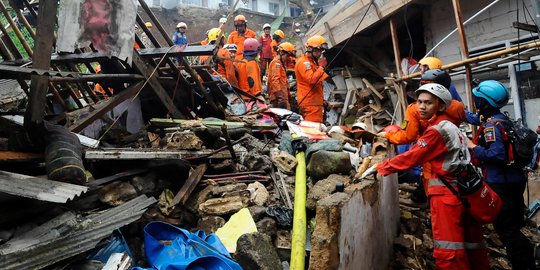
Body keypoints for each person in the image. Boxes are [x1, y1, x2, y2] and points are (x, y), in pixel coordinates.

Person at [378, 83, 489, 270]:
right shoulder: (451, 127)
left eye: (428, 103)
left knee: (448, 249)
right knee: (472, 245)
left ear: (441, 106)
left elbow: (412, 156)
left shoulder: (435, 131)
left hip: (446, 196)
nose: (421, 107)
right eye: (419, 102)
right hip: (462, 191)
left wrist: (381, 167)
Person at [465, 80, 535, 270]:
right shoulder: (501, 119)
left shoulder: (491, 127)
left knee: (506, 229)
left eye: (478, 99)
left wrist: (474, 148)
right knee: (512, 223)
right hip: (514, 180)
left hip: (501, 184)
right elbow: (476, 119)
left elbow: (497, 154)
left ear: (484, 103)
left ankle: (525, 264)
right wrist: (458, 111)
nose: (475, 102)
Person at [294, 35, 329, 122]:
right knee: (313, 131)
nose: (320, 53)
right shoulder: (303, 62)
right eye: (318, 51)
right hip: (309, 104)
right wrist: (321, 67)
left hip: (314, 103)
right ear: (310, 49)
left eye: (320, 51)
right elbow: (311, 79)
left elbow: (317, 83)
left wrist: (321, 100)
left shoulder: (312, 62)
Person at [267, 42, 295, 110]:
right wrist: (280, 97)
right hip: (278, 99)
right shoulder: (276, 63)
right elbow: (275, 81)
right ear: (282, 53)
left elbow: (284, 82)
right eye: (287, 56)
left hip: (282, 98)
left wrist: (289, 96)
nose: (288, 58)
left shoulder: (281, 64)